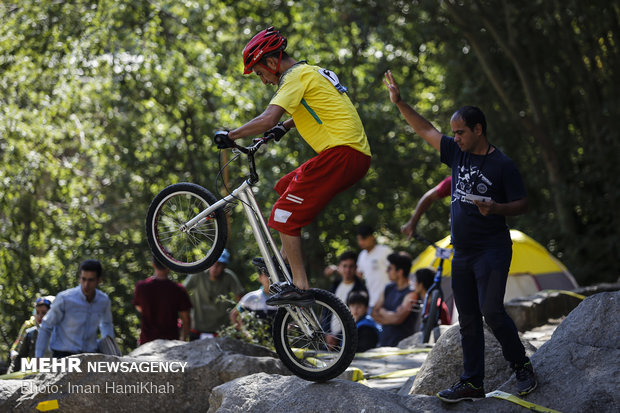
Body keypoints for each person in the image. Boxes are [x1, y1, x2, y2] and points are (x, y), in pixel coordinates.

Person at [384, 70, 536, 402]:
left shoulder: (502, 165)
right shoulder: (456, 153)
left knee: (491, 311)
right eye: (453, 133)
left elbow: (523, 203)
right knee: (467, 317)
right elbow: (425, 128)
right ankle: (472, 382)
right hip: (462, 252)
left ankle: (522, 365)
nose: (456, 137)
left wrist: (495, 208)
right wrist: (400, 103)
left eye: (461, 132)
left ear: (478, 129)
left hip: (492, 249)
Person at [214, 26, 372, 306]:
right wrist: (285, 128)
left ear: (273, 62)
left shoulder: (293, 77)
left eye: (261, 73)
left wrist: (232, 134)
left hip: (342, 153)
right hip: (349, 154)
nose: (263, 81)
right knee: (286, 187)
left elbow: (267, 118)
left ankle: (299, 285)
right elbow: (317, 107)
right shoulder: (311, 72)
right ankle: (281, 262)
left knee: (284, 213)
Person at [36, 259, 115, 358]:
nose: (86, 285)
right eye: (83, 279)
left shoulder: (103, 300)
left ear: (99, 280)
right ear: (79, 278)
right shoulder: (64, 299)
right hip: (63, 356)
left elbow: (106, 324)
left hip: (90, 356)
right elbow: (46, 326)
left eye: (91, 280)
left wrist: (111, 353)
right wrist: (38, 357)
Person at [183, 249, 244, 340]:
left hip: (220, 331)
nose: (215, 267)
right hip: (197, 329)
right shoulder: (198, 274)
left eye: (219, 264)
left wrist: (236, 317)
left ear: (224, 266)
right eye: (213, 263)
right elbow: (182, 292)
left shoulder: (229, 277)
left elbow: (242, 300)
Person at [133, 256, 192, 345]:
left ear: (153, 264)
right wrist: (183, 339)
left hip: (147, 342)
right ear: (171, 264)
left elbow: (139, 307)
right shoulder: (178, 290)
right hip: (170, 343)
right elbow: (186, 319)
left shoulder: (142, 287)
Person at [372, 253, 418, 347]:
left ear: (400, 272)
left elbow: (398, 319)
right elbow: (373, 312)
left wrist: (382, 311)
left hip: (402, 347)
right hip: (384, 344)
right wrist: (392, 316)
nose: (386, 271)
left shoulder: (412, 293)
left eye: (390, 268)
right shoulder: (388, 288)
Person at [325, 251, 367, 344]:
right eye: (344, 266)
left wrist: (338, 337)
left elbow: (357, 317)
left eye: (351, 266)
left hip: (347, 340)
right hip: (328, 340)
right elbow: (326, 310)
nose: (347, 270)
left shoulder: (360, 290)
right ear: (339, 267)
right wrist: (326, 333)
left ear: (356, 267)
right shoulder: (335, 285)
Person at [7, 296, 53, 372]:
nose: (40, 316)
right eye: (37, 313)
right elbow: (20, 357)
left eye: (44, 313)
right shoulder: (30, 333)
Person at [230, 259, 278, 330]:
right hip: (256, 339)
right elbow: (234, 314)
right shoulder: (251, 297)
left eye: (271, 274)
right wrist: (245, 332)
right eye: (266, 275)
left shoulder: (281, 298)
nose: (269, 278)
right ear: (259, 278)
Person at [356, 224, 392, 314]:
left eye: (363, 238)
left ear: (372, 237)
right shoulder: (362, 256)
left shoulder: (385, 251)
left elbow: (397, 272)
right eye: (359, 239)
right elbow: (358, 275)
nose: (361, 242)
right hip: (372, 303)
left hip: (389, 300)